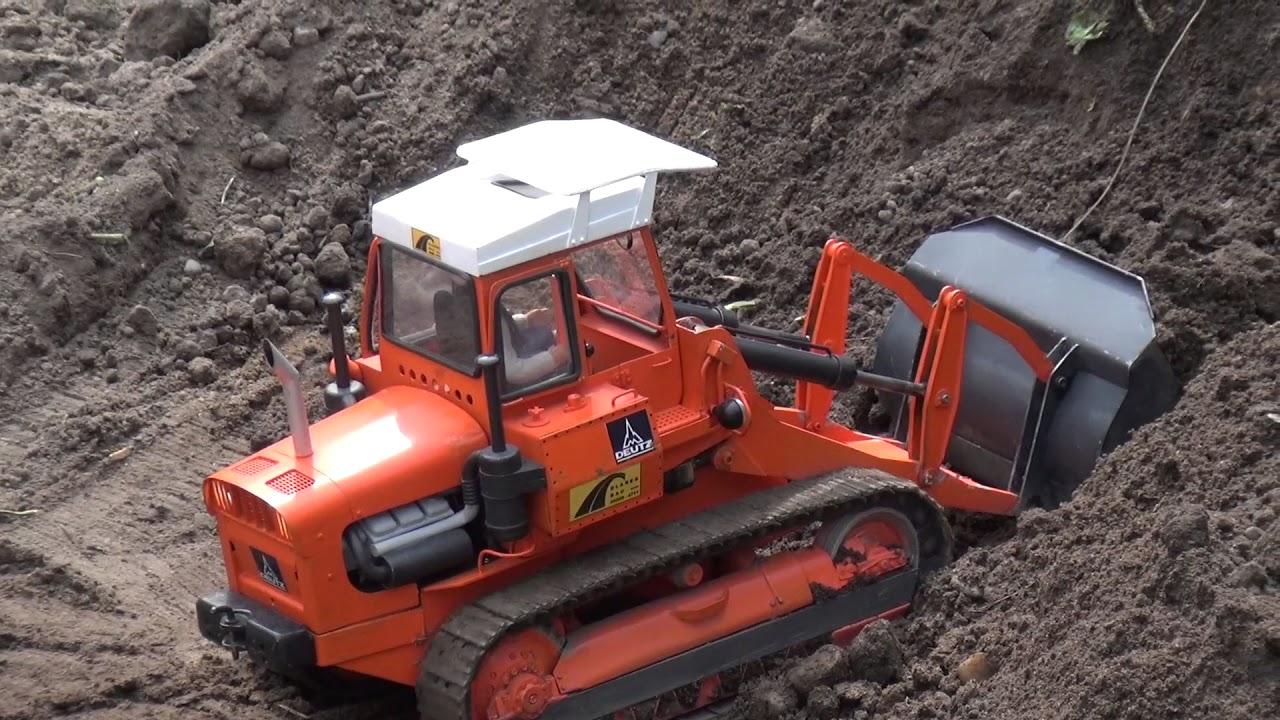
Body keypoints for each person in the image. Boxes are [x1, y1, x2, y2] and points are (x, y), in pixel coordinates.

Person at [499, 304, 570, 389]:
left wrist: (527, 320)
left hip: (514, 348)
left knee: (543, 333)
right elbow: (512, 372)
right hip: (509, 387)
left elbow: (499, 329)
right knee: (568, 369)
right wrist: (554, 358)